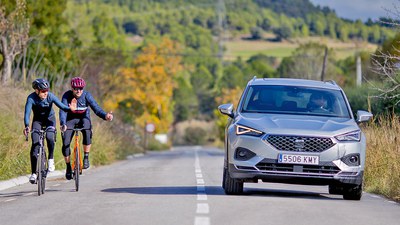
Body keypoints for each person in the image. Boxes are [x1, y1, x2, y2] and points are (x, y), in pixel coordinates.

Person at [24, 78, 77, 184]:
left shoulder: (50, 96)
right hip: (37, 121)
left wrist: (69, 108)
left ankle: (50, 159)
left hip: (50, 120)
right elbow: (27, 113)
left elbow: (61, 106)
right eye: (43, 91)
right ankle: (34, 173)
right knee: (35, 144)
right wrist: (26, 126)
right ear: (37, 91)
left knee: (49, 137)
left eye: (47, 90)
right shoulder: (31, 98)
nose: (46, 93)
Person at [60, 77, 113, 180]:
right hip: (70, 120)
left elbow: (96, 108)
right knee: (65, 142)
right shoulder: (67, 96)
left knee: (87, 130)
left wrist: (105, 116)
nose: (78, 91)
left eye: (81, 88)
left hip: (83, 118)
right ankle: (67, 167)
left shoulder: (86, 96)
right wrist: (63, 123)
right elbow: (62, 111)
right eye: (76, 88)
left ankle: (86, 157)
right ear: (72, 88)